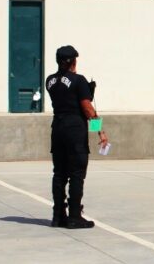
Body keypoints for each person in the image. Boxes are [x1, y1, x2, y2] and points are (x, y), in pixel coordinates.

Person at [46, 45, 108, 229]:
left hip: (57, 129)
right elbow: (87, 108)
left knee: (59, 173)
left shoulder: (49, 80)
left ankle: (58, 216)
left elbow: (64, 98)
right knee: (76, 174)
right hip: (74, 130)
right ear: (73, 61)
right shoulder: (78, 80)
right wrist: (100, 131)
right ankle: (74, 216)